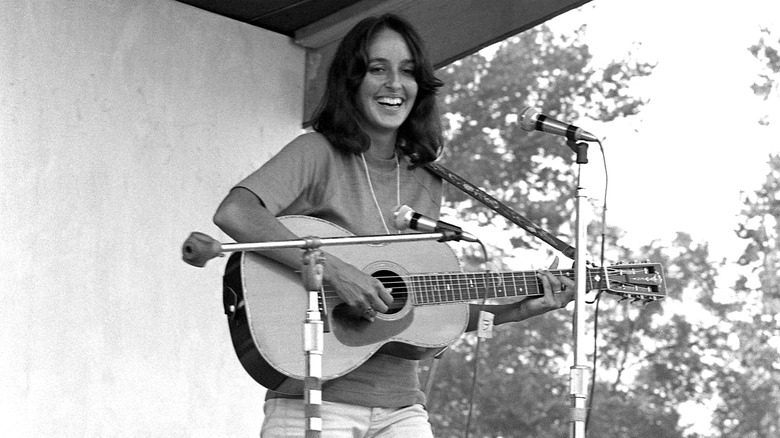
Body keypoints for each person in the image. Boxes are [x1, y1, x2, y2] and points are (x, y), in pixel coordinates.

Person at [213, 13, 575, 438]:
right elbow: (235, 212)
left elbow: (419, 308)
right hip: (314, 399)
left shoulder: (427, 177)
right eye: (377, 69)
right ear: (352, 80)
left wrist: (512, 312)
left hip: (402, 407)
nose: (394, 84)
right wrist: (335, 270)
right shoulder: (317, 153)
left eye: (407, 71)